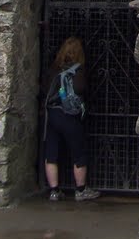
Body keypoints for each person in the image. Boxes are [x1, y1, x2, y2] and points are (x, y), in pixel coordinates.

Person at [43, 36, 100, 201]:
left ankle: (54, 191)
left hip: (53, 114)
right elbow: (81, 89)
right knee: (78, 152)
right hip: (70, 116)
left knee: (51, 153)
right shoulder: (78, 71)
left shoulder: (54, 69)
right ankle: (81, 190)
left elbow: (44, 89)